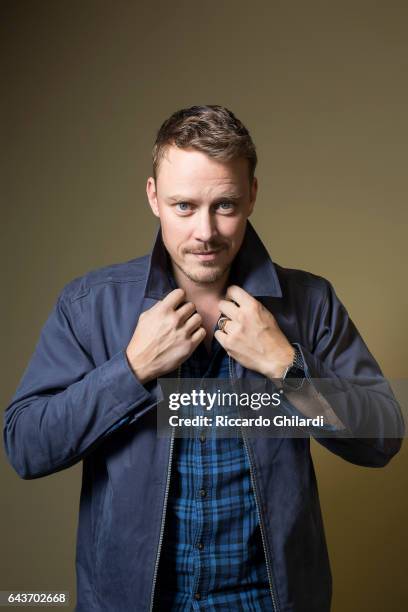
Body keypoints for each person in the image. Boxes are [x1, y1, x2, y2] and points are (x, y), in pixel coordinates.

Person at [3, 105, 404, 612]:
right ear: (153, 197)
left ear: (253, 195)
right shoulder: (89, 306)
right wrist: (130, 370)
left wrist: (288, 368)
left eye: (226, 205)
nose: (205, 233)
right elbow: (26, 446)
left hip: (267, 602)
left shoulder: (310, 303)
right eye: (184, 206)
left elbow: (383, 437)